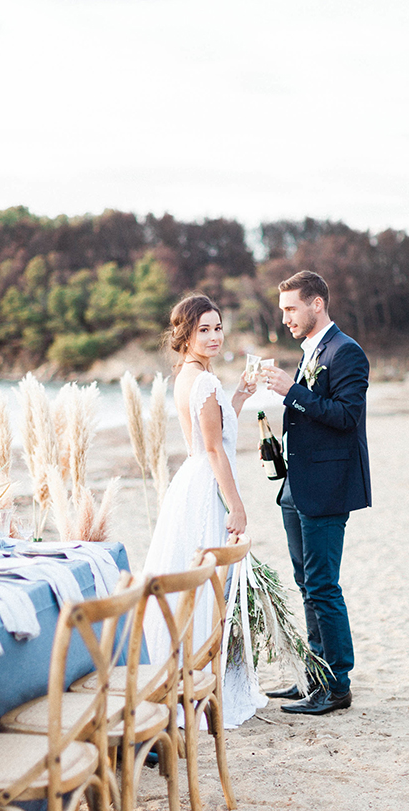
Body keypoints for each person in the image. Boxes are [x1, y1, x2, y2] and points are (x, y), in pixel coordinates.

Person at [142, 293, 267, 728]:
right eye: (204, 330)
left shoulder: (190, 375)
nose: (214, 337)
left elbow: (213, 432)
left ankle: (190, 680)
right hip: (207, 485)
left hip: (192, 482)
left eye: (217, 328)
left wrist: (240, 396)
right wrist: (237, 505)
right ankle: (202, 688)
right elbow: (214, 449)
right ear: (186, 334)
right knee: (212, 584)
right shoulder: (204, 381)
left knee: (200, 582)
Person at [263, 270, 371, 716]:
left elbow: (347, 417)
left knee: (324, 586)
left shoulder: (347, 352)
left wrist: (292, 392)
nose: (285, 317)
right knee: (306, 584)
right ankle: (313, 675)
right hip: (297, 484)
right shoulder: (312, 350)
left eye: (291, 308)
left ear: (317, 305)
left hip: (327, 488)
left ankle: (337, 685)